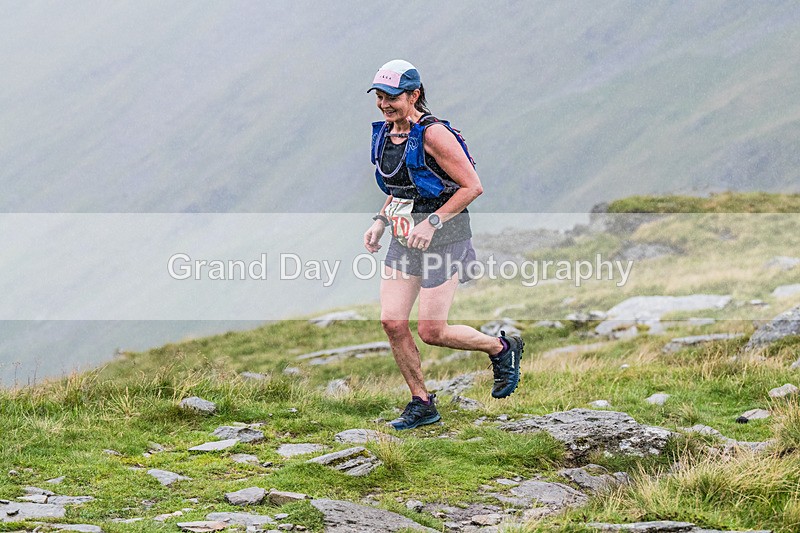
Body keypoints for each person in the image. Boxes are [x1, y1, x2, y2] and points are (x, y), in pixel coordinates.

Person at [363, 59, 524, 430]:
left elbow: (472, 186)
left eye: (392, 97)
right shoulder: (387, 133)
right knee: (391, 321)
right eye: (379, 96)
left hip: (444, 239)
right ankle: (422, 403)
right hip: (405, 237)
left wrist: (434, 222)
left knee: (432, 331)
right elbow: (401, 188)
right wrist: (380, 220)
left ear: (414, 95)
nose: (384, 104)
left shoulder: (435, 135)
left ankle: (500, 348)